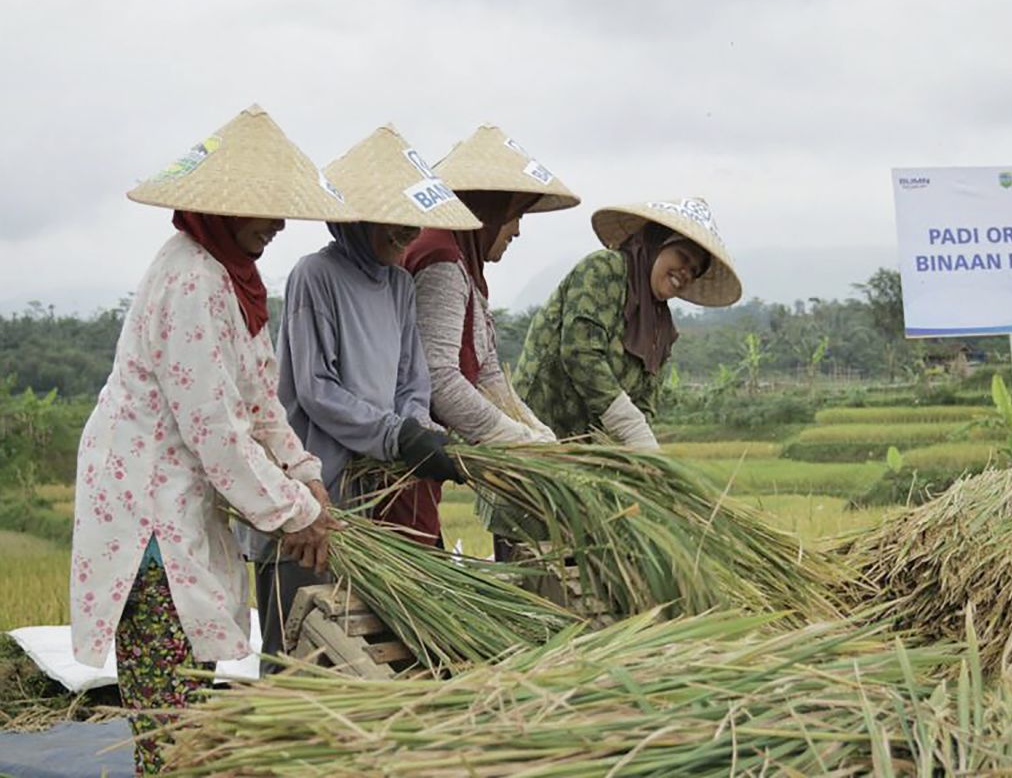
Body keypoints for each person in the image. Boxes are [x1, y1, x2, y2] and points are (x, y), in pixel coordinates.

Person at [69, 105, 352, 774]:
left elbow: (259, 399)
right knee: (173, 718)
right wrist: (296, 514)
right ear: (220, 209)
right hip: (147, 515)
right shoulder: (192, 279)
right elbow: (217, 435)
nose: (278, 226)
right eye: (264, 210)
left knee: (190, 694)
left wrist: (304, 471)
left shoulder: (236, 279)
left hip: (179, 502)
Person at [236, 125, 480, 663]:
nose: (406, 237)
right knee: (295, 648)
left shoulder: (398, 285)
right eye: (394, 226)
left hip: (367, 503)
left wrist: (416, 426)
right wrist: (395, 436)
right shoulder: (314, 276)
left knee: (351, 647)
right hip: (309, 498)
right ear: (359, 219)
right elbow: (317, 390)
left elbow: (411, 379)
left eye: (411, 226)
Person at [400, 125, 579, 559]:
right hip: (405, 456)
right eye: (514, 214)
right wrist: (511, 438)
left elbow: (489, 371)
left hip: (422, 457)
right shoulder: (442, 259)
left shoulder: (464, 262)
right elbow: (440, 377)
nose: (515, 229)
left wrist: (537, 435)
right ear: (488, 209)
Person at [513, 198, 741, 450]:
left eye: (695, 270)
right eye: (683, 256)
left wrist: (638, 449)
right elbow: (580, 353)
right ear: (656, 243)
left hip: (586, 451)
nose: (686, 271)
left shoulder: (661, 327)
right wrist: (631, 427)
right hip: (537, 433)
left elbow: (646, 398)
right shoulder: (604, 269)